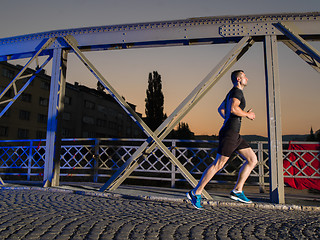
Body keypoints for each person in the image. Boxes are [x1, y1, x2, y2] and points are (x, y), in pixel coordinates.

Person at [187, 70, 257, 209]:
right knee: (218, 164)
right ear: (238, 79)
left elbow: (221, 109)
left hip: (234, 134)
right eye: (244, 77)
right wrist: (247, 115)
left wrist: (229, 120)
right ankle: (196, 192)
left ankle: (237, 190)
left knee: (252, 160)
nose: (247, 79)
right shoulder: (237, 92)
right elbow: (233, 109)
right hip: (230, 134)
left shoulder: (232, 92)